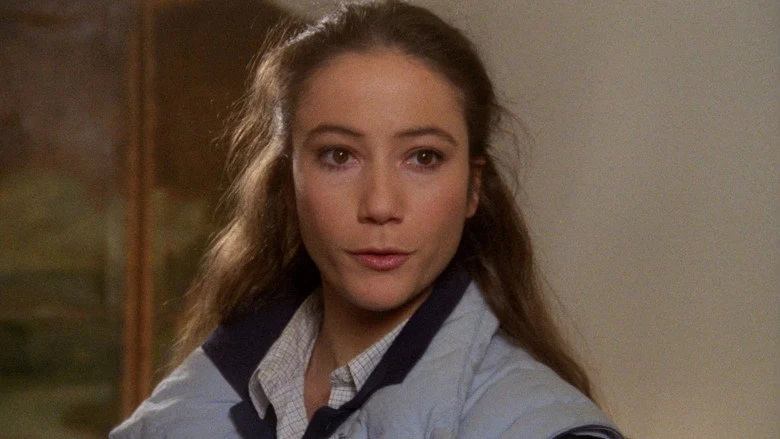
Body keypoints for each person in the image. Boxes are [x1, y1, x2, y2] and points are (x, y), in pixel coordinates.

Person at [112, 1, 624, 438]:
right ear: (288, 184)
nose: (380, 205)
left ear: (473, 188)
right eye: (338, 156)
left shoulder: (542, 425)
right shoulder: (197, 395)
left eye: (423, 157)